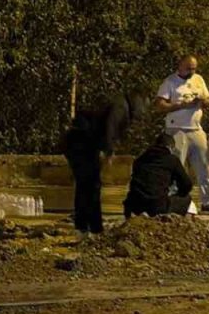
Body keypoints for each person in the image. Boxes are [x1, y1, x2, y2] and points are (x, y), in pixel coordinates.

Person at [62, 93, 137, 236]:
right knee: (90, 186)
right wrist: (109, 151)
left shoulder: (116, 102)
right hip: (82, 145)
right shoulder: (120, 106)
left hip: (77, 143)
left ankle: (85, 225)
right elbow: (111, 126)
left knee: (86, 185)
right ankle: (92, 226)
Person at [156, 56, 209, 213]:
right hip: (177, 129)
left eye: (194, 68)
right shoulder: (170, 82)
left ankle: (207, 201)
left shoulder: (198, 79)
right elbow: (160, 105)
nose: (192, 71)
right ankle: (173, 201)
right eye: (189, 68)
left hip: (196, 128)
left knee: (204, 166)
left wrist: (204, 102)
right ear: (180, 66)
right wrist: (181, 105)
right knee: (177, 166)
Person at [123, 133, 195, 218]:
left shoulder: (139, 160)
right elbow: (187, 184)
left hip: (135, 206)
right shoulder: (172, 160)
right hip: (158, 206)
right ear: (170, 147)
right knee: (188, 201)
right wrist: (179, 194)